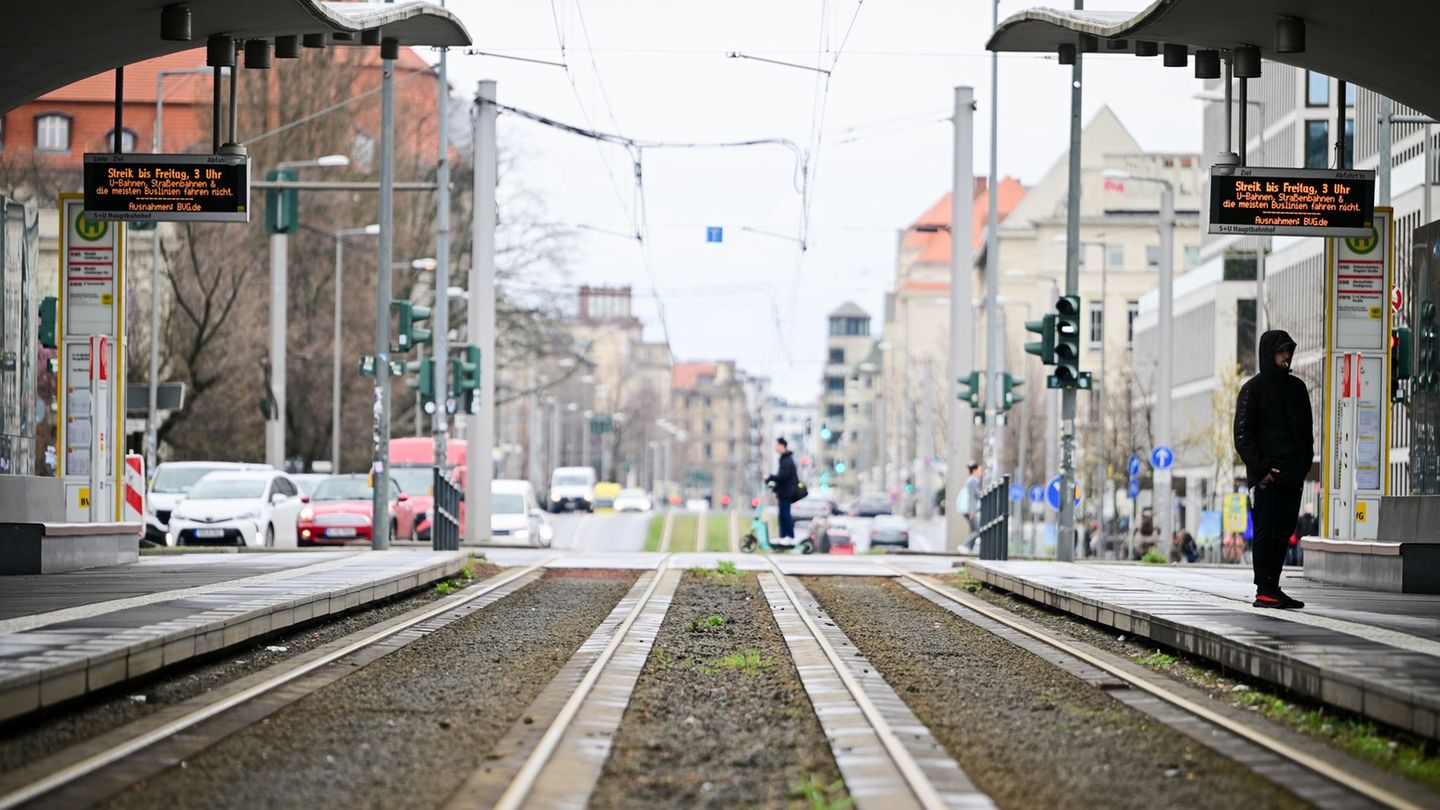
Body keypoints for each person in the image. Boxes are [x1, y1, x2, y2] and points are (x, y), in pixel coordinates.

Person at [1234, 330, 1313, 609]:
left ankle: (1272, 586)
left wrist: (1303, 465)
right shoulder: (1252, 390)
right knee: (1266, 533)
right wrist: (1262, 470)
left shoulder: (1297, 389)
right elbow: (1242, 436)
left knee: (1283, 533)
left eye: (1289, 351)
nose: (1287, 356)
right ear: (1269, 354)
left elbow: (1306, 433)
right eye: (1281, 351)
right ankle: (1264, 589)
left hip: (1291, 477)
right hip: (1267, 479)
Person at [765, 438, 798, 543]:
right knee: (782, 515)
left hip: (786, 492)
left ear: (782, 446)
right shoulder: (785, 459)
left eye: (777, 445)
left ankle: (788, 537)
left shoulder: (786, 460)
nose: (775, 447)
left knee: (785, 515)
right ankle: (783, 536)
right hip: (784, 491)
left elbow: (783, 477)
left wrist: (770, 477)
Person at [960, 462, 983, 552]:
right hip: (970, 509)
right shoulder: (972, 481)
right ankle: (965, 545)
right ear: (974, 471)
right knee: (977, 530)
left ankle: (969, 548)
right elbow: (971, 497)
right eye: (979, 470)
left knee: (975, 529)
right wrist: (971, 511)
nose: (980, 472)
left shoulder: (972, 480)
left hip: (971, 509)